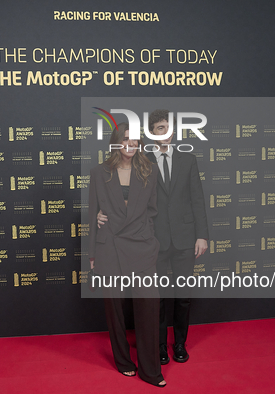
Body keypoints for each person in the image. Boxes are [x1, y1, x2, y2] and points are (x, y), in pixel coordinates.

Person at [98, 109, 209, 366]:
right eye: (160, 128)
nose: (166, 133)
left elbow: (198, 200)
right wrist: (100, 215)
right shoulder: (140, 160)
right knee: (155, 298)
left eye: (169, 128)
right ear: (151, 132)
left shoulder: (188, 160)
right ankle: (158, 345)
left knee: (182, 296)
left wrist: (201, 236)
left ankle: (179, 343)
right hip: (152, 241)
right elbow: (123, 197)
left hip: (184, 239)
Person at [88, 122, 166, 388]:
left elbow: (153, 210)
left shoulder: (149, 170)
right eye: (126, 140)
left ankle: (151, 370)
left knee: (148, 306)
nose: (131, 145)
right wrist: (92, 252)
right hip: (109, 246)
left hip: (141, 245)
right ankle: (123, 361)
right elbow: (92, 212)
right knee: (115, 311)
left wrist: (148, 236)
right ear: (115, 142)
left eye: (135, 141)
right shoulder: (100, 172)